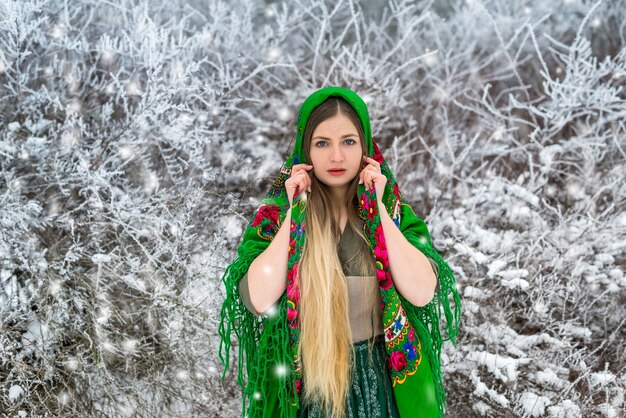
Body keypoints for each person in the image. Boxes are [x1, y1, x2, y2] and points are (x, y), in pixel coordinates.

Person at [218, 86, 461, 418]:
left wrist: (377, 208)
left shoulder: (393, 210)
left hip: (380, 391)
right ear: (305, 150)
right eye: (322, 143)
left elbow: (421, 292)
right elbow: (257, 299)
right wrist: (294, 213)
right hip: (306, 392)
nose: (336, 157)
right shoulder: (275, 217)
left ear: (365, 148)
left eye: (348, 141)